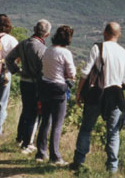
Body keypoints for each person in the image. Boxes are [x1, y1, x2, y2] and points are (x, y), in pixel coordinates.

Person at [71, 22, 125, 173]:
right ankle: (112, 168)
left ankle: (79, 163)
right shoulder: (124, 53)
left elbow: (85, 72)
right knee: (113, 133)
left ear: (105, 33)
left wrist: (79, 92)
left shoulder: (98, 48)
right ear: (118, 35)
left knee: (86, 129)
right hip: (116, 95)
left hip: (96, 95)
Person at [6, 19, 51, 154]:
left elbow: (8, 58)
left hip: (24, 81)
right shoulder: (42, 49)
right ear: (47, 34)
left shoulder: (24, 43)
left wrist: (17, 71)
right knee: (35, 113)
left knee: (26, 110)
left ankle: (20, 138)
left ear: (34, 28)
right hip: (36, 83)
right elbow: (44, 69)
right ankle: (28, 143)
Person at [35, 25, 76, 165]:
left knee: (45, 120)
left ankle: (40, 152)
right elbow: (72, 74)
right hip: (58, 88)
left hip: (45, 85)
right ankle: (55, 156)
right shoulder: (65, 53)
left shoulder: (48, 50)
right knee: (57, 124)